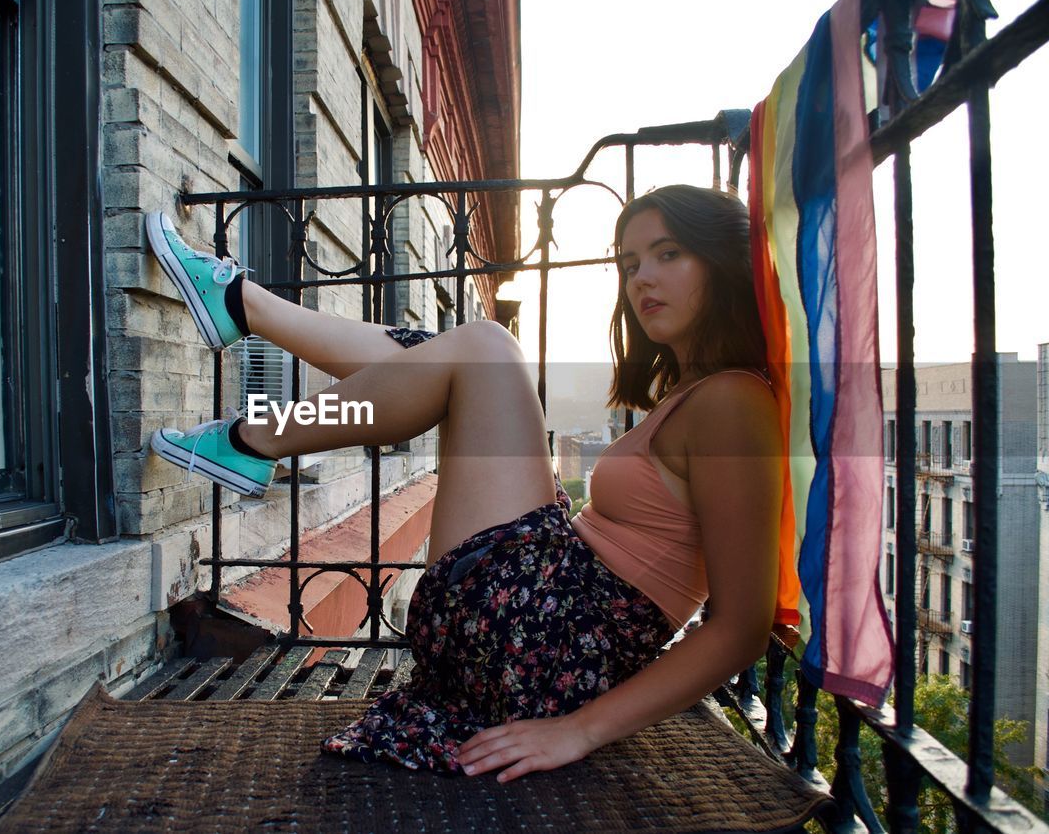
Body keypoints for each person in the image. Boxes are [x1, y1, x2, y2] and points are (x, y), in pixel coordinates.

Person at [143, 183, 783, 784]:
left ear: (723, 262)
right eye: (630, 262)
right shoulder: (698, 393)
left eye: (668, 254)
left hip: (543, 644)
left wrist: (580, 731)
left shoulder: (733, 402)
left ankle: (253, 431)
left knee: (480, 348)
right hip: (541, 619)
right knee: (440, 354)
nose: (641, 277)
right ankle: (243, 322)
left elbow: (742, 624)